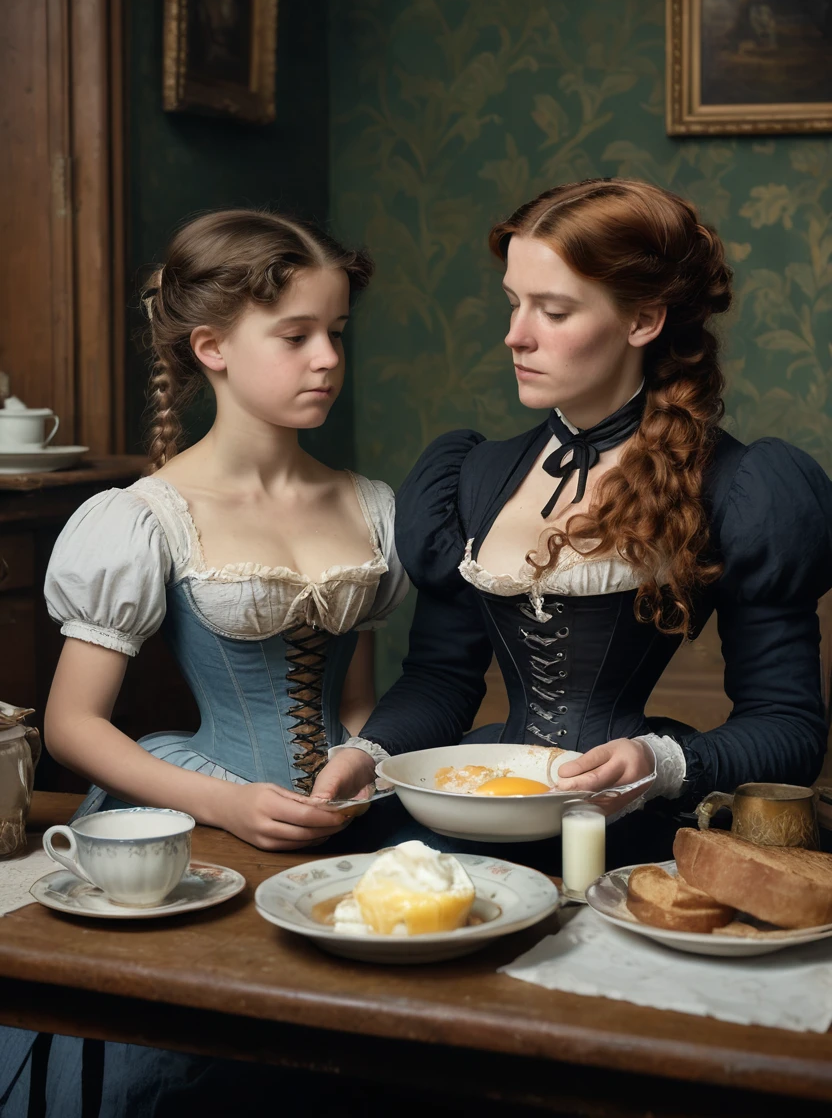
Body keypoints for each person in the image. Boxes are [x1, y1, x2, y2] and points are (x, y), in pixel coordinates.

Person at [0, 208, 409, 1115]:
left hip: (344, 821)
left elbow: (356, 705)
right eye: (296, 335)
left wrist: (359, 764)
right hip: (197, 818)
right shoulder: (145, 517)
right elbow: (72, 727)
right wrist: (226, 801)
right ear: (213, 347)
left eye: (336, 333)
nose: (329, 359)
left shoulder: (370, 505)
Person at [314, 178, 832, 867]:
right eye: (513, 303)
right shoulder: (473, 473)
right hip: (479, 810)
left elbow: (790, 729)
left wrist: (659, 762)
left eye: (552, 311)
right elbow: (440, 680)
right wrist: (369, 755)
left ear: (643, 320)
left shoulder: (740, 487)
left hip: (633, 829)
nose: (515, 336)